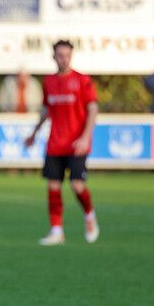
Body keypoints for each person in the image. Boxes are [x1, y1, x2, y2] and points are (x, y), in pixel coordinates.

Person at [24, 40, 99, 246]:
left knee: (77, 185)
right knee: (53, 187)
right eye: (60, 55)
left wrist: (85, 137)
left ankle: (89, 215)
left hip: (76, 144)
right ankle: (57, 231)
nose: (63, 59)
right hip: (55, 143)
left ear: (71, 56)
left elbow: (92, 110)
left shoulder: (82, 81)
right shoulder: (49, 82)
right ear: (54, 57)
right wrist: (33, 134)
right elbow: (46, 111)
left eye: (67, 55)